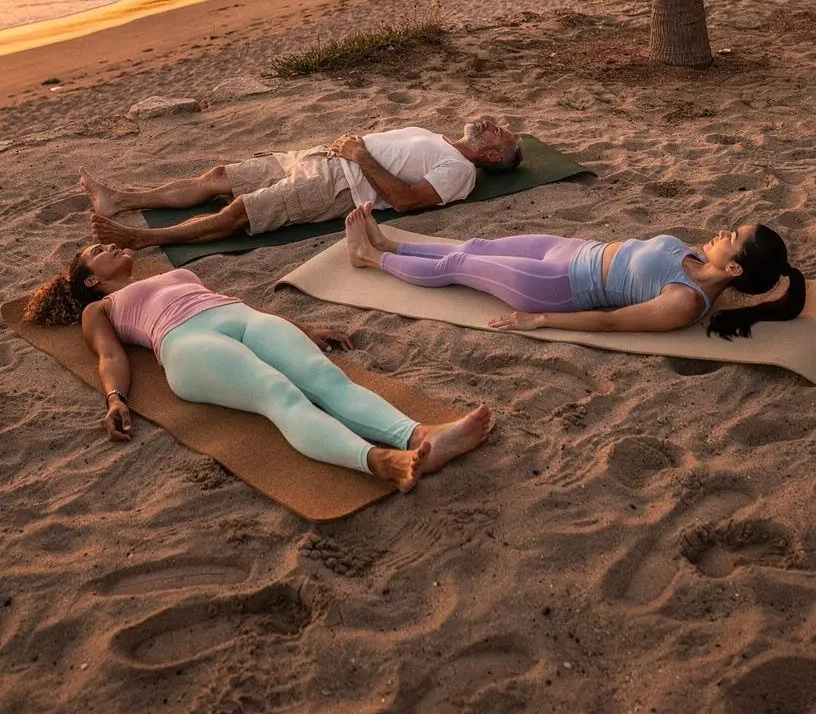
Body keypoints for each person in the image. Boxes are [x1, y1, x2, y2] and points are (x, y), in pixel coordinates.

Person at [24, 242, 493, 492]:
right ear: (91, 279)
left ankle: (419, 435)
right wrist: (114, 398)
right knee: (279, 393)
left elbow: (233, 303)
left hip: (242, 317)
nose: (109, 245)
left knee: (325, 379)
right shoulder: (100, 308)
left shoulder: (168, 273)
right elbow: (110, 356)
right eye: (96, 251)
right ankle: (380, 462)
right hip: (186, 342)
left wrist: (302, 327)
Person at [344, 206, 806, 339]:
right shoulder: (699, 256)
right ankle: (390, 244)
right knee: (476, 246)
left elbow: (609, 322)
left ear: (735, 266)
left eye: (733, 234)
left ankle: (367, 258)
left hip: (560, 286)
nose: (723, 230)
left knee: (458, 264)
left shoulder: (685, 301)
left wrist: (539, 320)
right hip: (570, 249)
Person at [80, 119, 522, 249]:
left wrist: (362, 155)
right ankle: (119, 199)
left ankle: (142, 237)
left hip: (337, 185)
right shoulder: (441, 138)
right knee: (219, 178)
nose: (492, 124)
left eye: (500, 132)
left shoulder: (460, 171)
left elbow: (406, 202)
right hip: (322, 156)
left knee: (240, 213)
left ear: (491, 156)